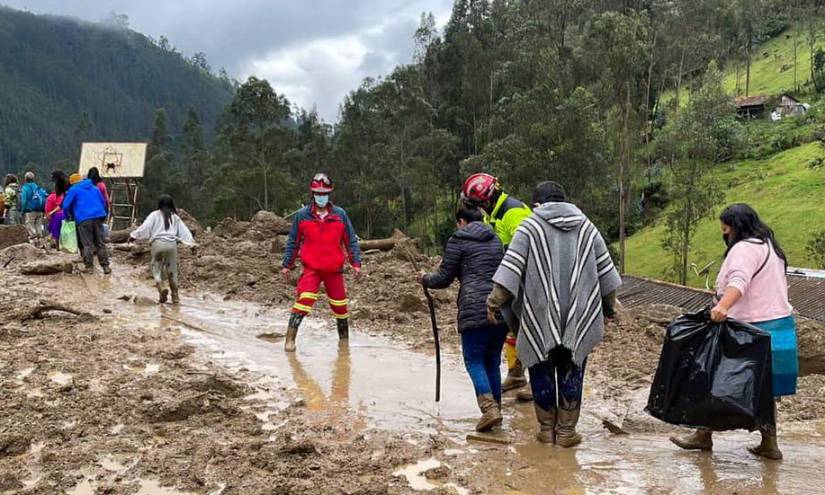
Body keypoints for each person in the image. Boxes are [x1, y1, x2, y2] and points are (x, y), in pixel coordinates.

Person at [486, 181, 621, 447]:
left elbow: (510, 270)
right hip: (579, 317)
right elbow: (606, 274)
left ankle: (546, 431)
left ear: (537, 204)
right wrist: (608, 307)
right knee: (572, 368)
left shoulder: (530, 227)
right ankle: (567, 433)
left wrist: (493, 303)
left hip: (539, 315)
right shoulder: (586, 227)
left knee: (540, 368)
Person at [670, 203, 796, 461]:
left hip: (750, 329)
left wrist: (723, 306)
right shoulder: (770, 247)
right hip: (779, 327)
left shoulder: (744, 249)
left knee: (715, 378)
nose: (724, 235)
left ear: (736, 228)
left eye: (725, 230)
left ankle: (703, 435)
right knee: (765, 388)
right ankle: (769, 443)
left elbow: (739, 280)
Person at [419, 207, 508, 431]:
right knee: (492, 361)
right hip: (501, 307)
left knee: (474, 360)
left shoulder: (458, 240)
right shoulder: (496, 239)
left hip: (473, 308)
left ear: (461, 221)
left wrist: (425, 278)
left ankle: (489, 409)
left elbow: (444, 277)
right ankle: (496, 409)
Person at [461, 172, 534, 399]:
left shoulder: (513, 212)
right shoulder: (493, 215)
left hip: (527, 280)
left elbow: (526, 249)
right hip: (509, 280)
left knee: (531, 331)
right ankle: (516, 373)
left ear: (484, 201)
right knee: (512, 328)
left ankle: (538, 377)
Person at [281, 173, 362, 352]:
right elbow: (293, 241)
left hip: (334, 269)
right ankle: (289, 339)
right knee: (304, 300)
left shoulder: (340, 215)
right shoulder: (303, 216)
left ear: (329, 194)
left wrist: (356, 263)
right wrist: (287, 265)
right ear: (312, 194)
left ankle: (344, 344)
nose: (321, 197)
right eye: (318, 193)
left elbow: (350, 240)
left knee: (340, 307)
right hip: (312, 268)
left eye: (325, 193)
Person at [130, 195, 196, 304]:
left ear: (159, 204)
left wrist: (133, 235)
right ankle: (175, 296)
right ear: (172, 205)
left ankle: (161, 287)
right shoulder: (175, 217)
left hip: (157, 244)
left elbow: (145, 227)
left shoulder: (154, 215)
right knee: (172, 270)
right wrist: (192, 245)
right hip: (172, 245)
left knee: (156, 267)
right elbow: (185, 232)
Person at [62, 174, 110, 274]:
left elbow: (65, 205)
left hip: (84, 218)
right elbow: (103, 202)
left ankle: (89, 267)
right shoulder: (94, 188)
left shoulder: (74, 190)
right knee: (100, 243)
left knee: (87, 243)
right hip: (98, 216)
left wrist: (67, 217)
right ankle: (106, 267)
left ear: (72, 183)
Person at [19, 171, 47, 243]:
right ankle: (42, 244)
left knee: (30, 227)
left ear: (25, 179)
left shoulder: (26, 188)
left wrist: (23, 211)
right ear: (33, 179)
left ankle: (34, 245)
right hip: (40, 210)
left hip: (30, 211)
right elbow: (45, 196)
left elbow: (24, 201)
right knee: (39, 227)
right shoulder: (38, 187)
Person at [45, 173, 68, 247]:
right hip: (66, 216)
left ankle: (56, 244)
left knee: (55, 231)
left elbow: (48, 211)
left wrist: (49, 217)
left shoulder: (51, 197)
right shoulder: (66, 195)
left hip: (56, 217)